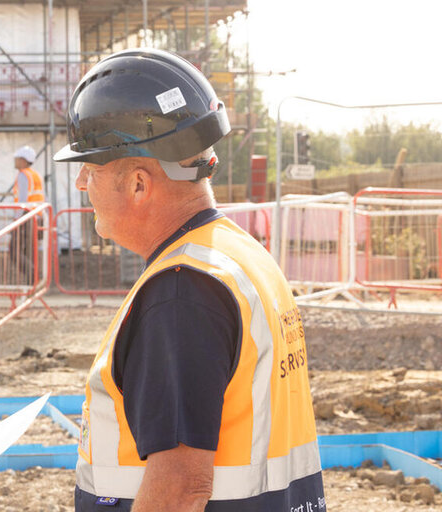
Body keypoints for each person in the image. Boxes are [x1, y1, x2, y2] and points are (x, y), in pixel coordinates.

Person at [54, 48, 325, 511]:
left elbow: (180, 488)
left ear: (138, 184)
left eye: (91, 168)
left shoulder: (182, 290)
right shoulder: (238, 256)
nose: (81, 184)